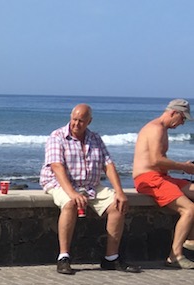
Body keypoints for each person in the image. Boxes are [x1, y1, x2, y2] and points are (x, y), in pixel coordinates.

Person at [40, 103, 139, 275]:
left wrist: (120, 192)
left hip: (90, 185)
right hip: (60, 183)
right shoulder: (57, 136)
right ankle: (63, 257)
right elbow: (57, 166)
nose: (76, 124)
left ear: (89, 121)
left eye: (81, 121)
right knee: (70, 203)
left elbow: (108, 165)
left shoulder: (95, 139)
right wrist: (72, 193)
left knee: (117, 206)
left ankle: (111, 258)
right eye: (74, 119)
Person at [132, 99, 194, 269]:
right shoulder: (156, 129)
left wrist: (185, 167)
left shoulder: (161, 129)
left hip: (161, 176)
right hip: (148, 179)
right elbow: (156, 160)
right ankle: (175, 255)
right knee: (189, 209)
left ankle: (190, 239)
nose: (182, 123)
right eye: (182, 119)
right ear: (173, 112)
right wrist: (185, 167)